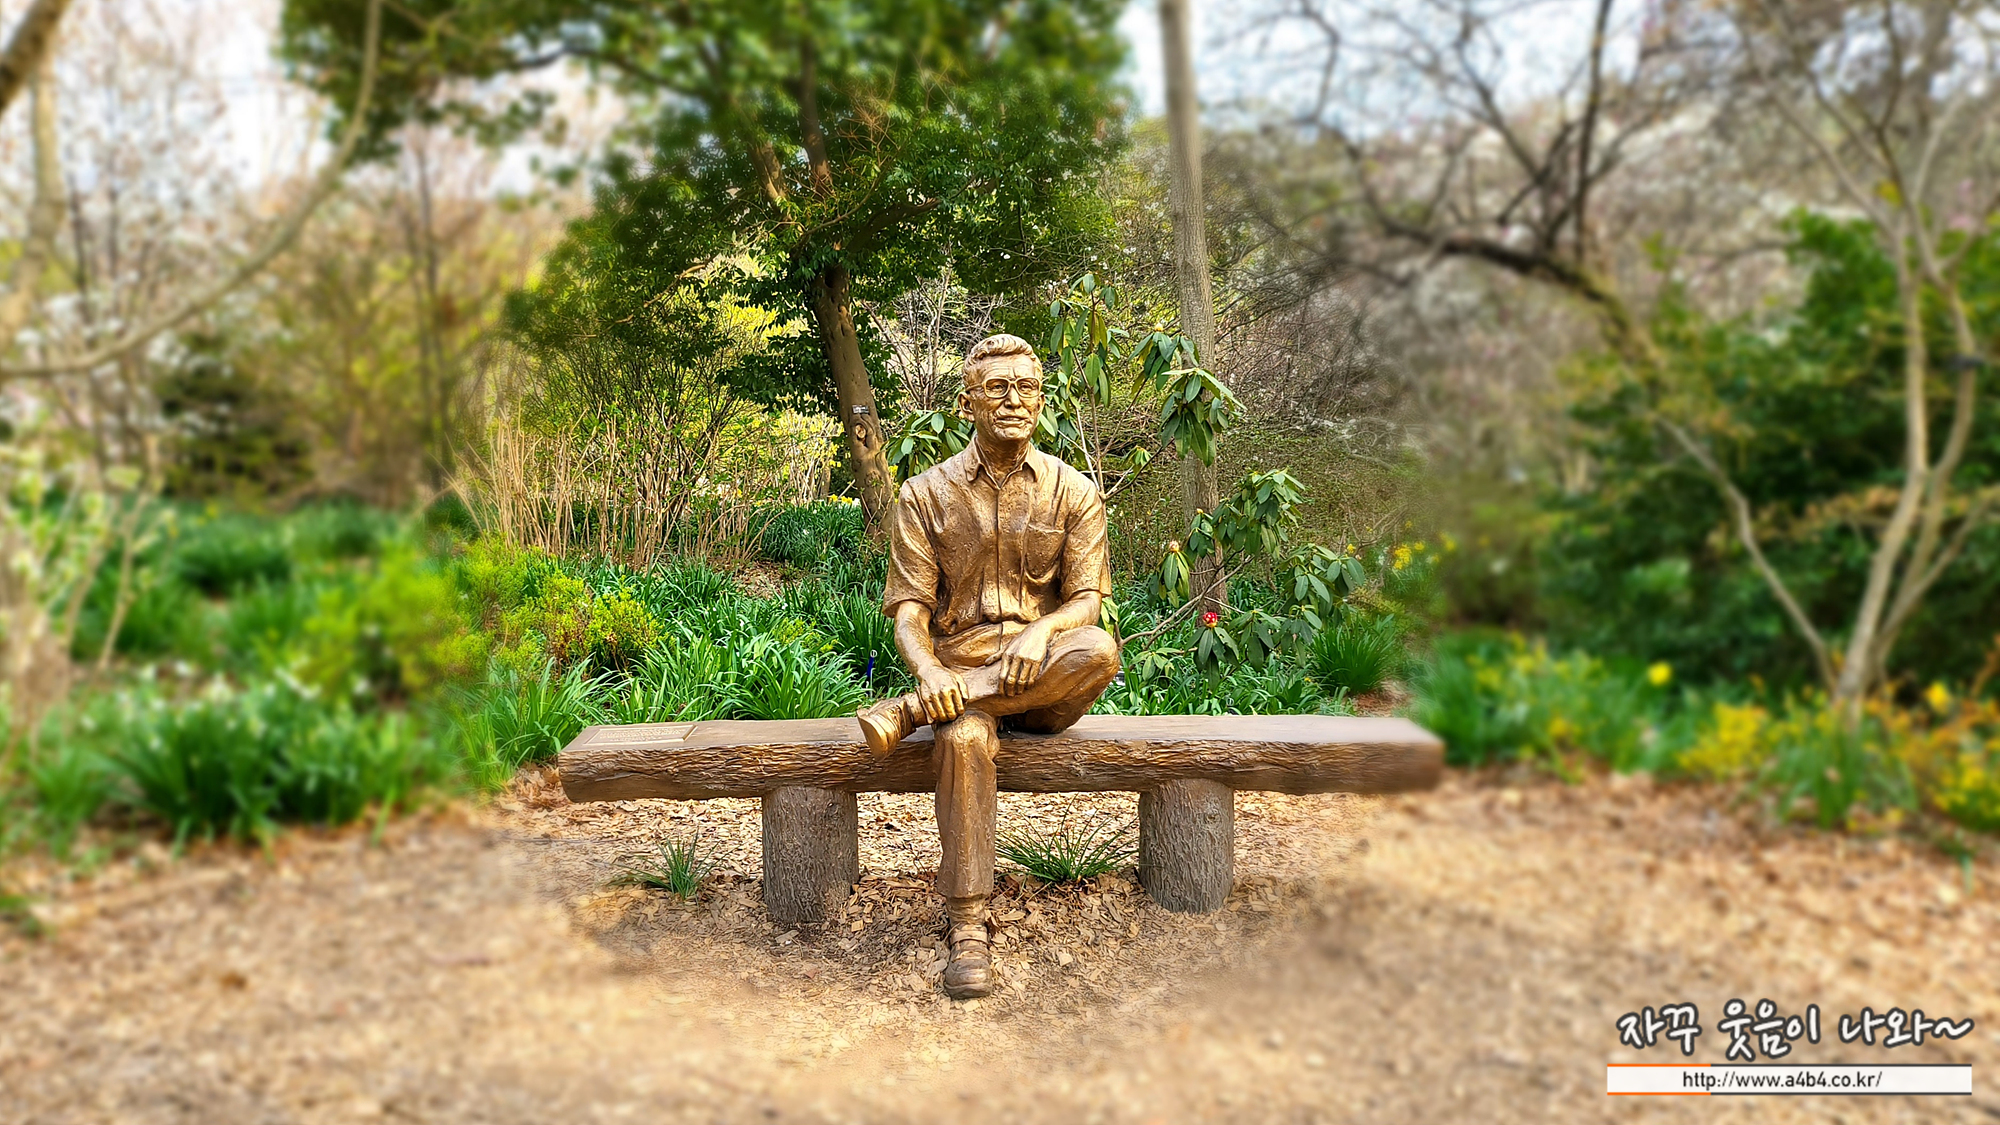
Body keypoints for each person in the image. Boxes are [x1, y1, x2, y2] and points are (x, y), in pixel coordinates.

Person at [856, 333, 1121, 1000]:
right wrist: (929, 673)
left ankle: (909, 714)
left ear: (1041, 401)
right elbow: (909, 612)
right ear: (967, 401)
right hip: (959, 682)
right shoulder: (924, 494)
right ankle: (968, 924)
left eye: (1026, 388)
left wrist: (1044, 631)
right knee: (965, 738)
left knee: (1098, 648)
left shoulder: (1075, 492)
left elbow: (1087, 603)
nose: (1013, 400)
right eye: (997, 387)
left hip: (1049, 679)